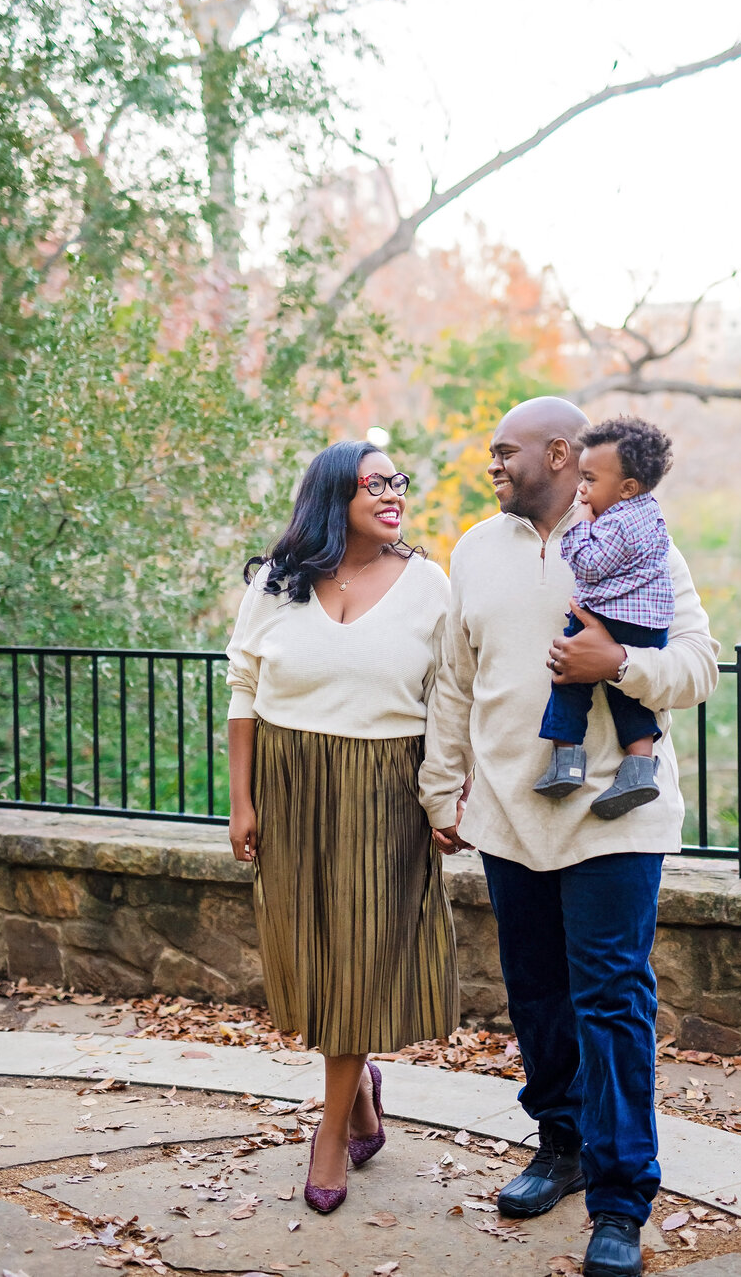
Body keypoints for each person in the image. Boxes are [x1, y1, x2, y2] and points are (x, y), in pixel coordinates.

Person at [418, 397, 719, 1277]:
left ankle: (621, 1200)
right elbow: (453, 680)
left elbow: (698, 665)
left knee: (612, 1003)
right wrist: (443, 791)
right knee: (538, 994)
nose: (494, 466)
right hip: (510, 815)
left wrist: (617, 666)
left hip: (616, 821)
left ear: (560, 453)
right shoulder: (475, 549)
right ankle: (561, 1143)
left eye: (506, 452)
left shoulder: (638, 539)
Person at [226, 440, 459, 1215]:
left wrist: (442, 796)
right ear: (335, 495)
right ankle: (358, 1085)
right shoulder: (276, 581)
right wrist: (243, 800)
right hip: (289, 786)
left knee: (358, 958)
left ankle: (328, 1137)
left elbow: (448, 698)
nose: (394, 493)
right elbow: (243, 688)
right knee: (309, 956)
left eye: (399, 480)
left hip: (384, 789)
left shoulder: (429, 584)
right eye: (375, 483)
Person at [535, 415, 675, 820]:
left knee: (568, 678)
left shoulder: (615, 520)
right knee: (627, 695)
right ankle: (639, 768)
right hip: (649, 624)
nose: (581, 489)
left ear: (627, 488)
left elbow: (590, 566)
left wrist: (579, 523)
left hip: (612, 615)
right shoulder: (651, 515)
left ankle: (567, 762)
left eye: (590, 480)